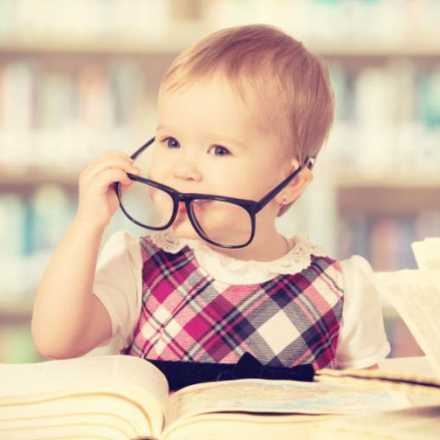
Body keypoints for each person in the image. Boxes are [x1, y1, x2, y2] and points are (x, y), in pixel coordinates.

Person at [32, 24, 390, 376]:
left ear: (290, 183)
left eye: (219, 149)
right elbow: (57, 340)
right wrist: (87, 225)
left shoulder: (342, 289)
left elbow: (369, 407)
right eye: (171, 142)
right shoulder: (140, 267)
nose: (184, 169)